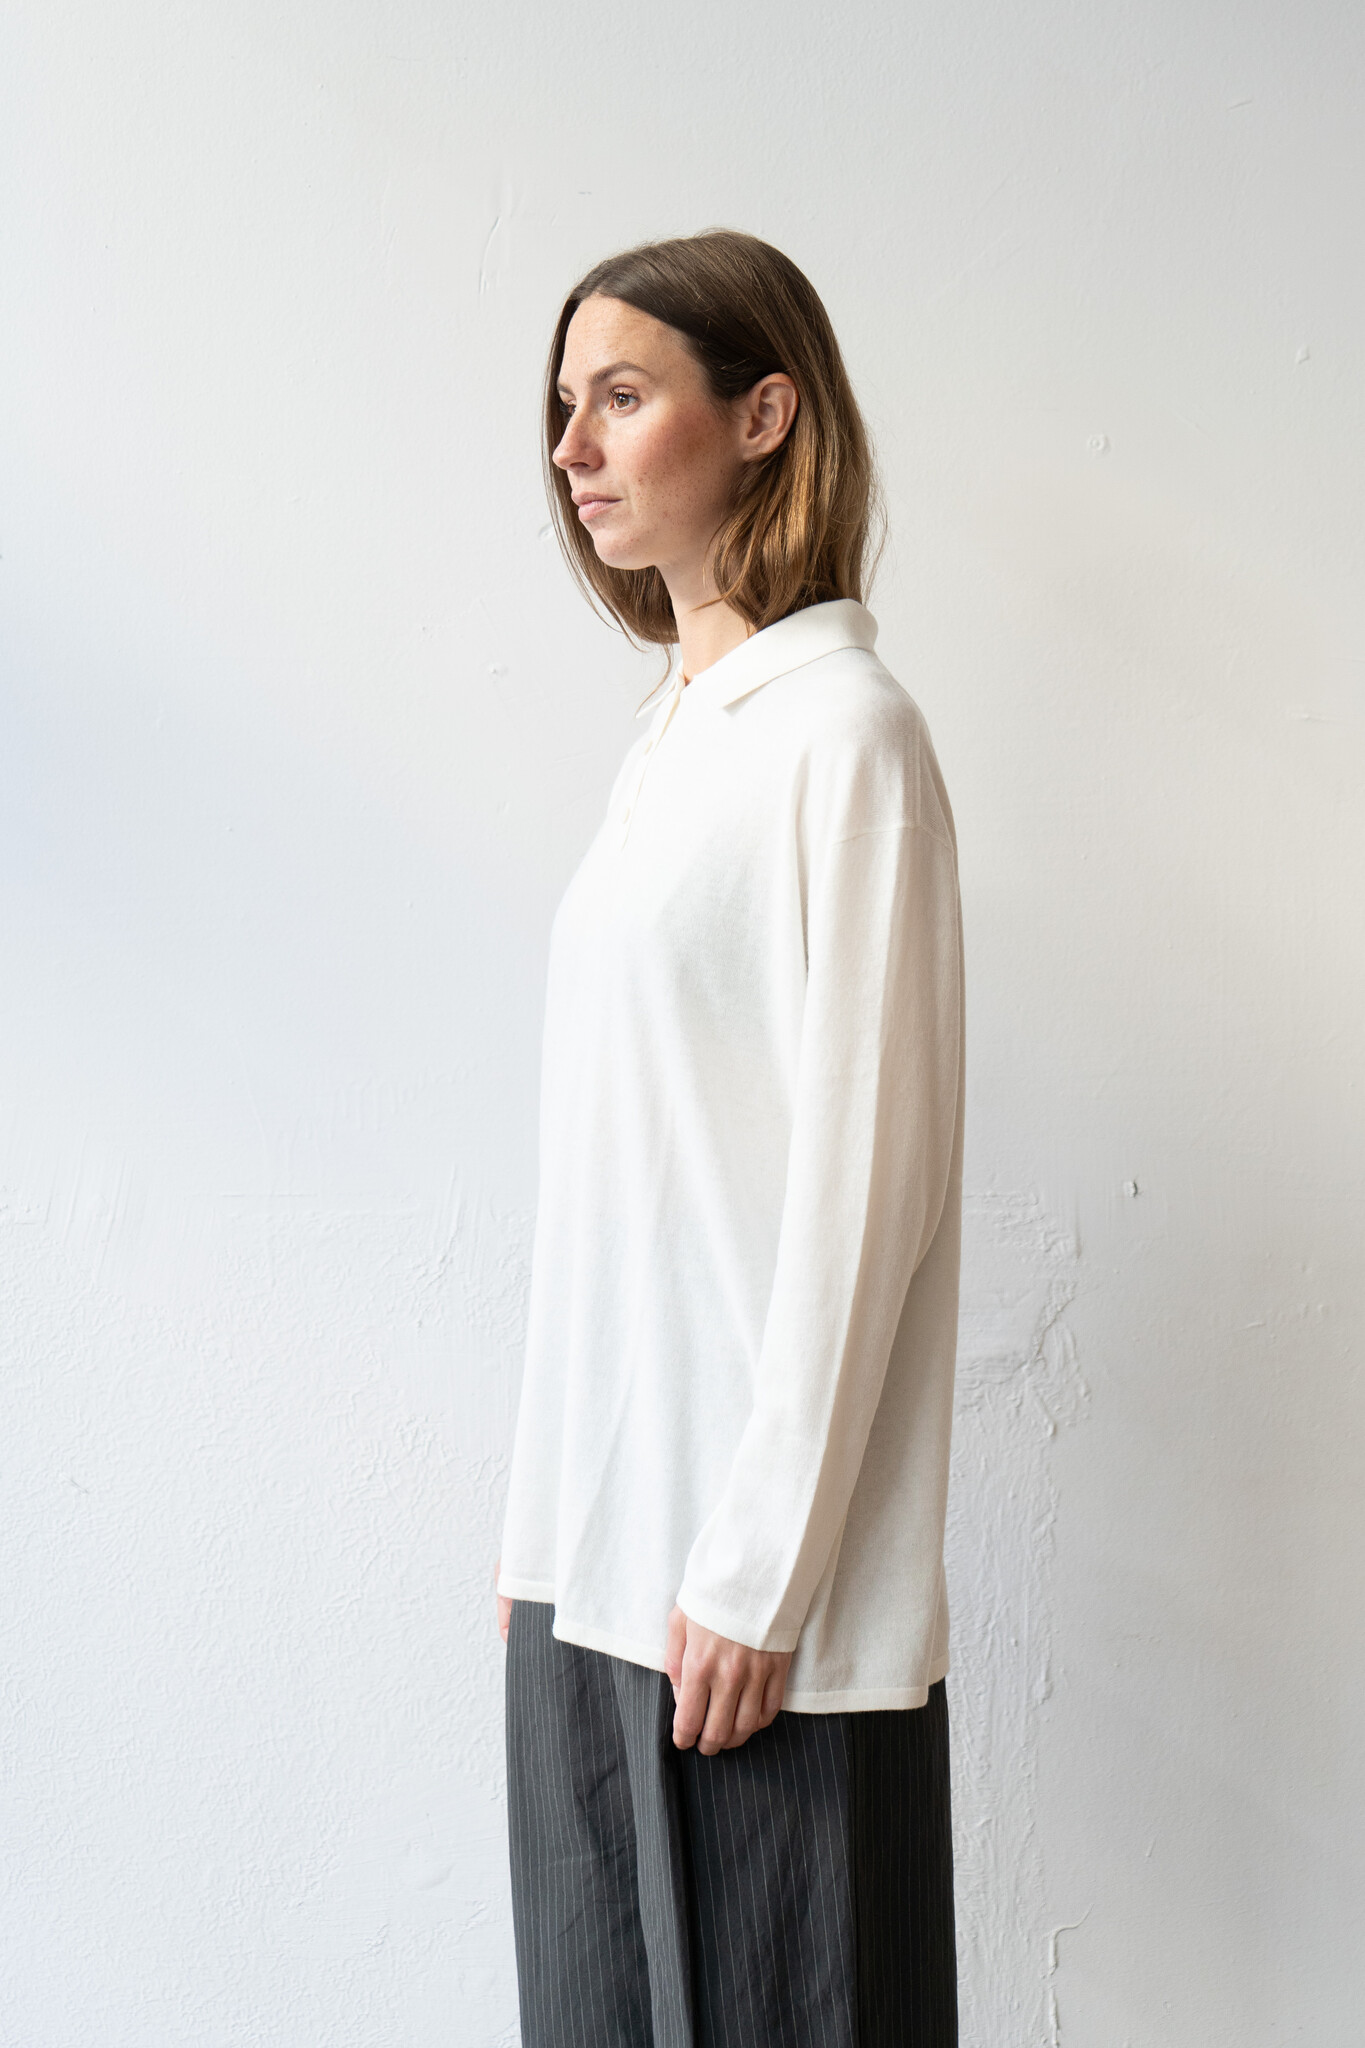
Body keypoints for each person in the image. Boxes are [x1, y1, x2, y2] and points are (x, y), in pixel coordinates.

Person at [494, 229, 965, 2047]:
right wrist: (538, 1531)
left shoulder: (846, 739)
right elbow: (619, 1186)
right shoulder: (675, 741)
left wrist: (763, 1570)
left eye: (621, 397)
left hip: (757, 1608)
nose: (572, 448)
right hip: (596, 1576)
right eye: (564, 406)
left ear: (765, 413)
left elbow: (867, 1189)